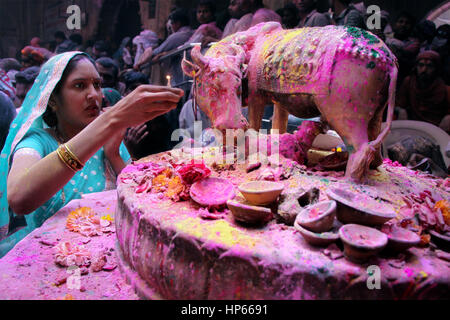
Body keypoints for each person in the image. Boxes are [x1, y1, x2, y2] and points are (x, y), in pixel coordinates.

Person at [0, 52, 183, 257]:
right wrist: (111, 120)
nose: (93, 95)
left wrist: (114, 155)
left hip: (105, 259)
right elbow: (19, 199)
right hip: (53, 261)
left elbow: (138, 201)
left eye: (96, 85)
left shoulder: (107, 138)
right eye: (80, 86)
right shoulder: (37, 142)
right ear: (53, 99)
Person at [396, 50, 450, 133]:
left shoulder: (445, 89)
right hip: (413, 126)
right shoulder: (409, 82)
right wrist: (400, 110)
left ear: (436, 69)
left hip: (436, 129)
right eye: (421, 65)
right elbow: (398, 104)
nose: (424, 70)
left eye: (429, 66)